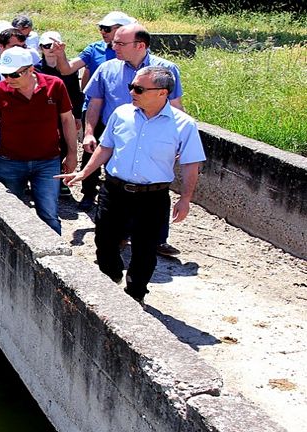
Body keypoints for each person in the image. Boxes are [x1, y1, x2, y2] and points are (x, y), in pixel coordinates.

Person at [57, 66, 205, 304]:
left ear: (162, 93)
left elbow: (190, 164)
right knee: (104, 241)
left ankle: (136, 294)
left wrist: (186, 198)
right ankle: (111, 276)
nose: (132, 92)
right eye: (131, 87)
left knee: (145, 249)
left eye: (138, 88)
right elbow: (106, 148)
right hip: (113, 190)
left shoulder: (183, 125)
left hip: (152, 197)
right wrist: (84, 173)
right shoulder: (121, 113)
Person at [83, 24, 185, 256]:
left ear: (140, 45)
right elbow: (95, 103)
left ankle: (157, 239)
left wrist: (179, 141)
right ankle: (119, 235)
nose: (113, 46)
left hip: (154, 136)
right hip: (119, 137)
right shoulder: (107, 68)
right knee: (120, 184)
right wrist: (89, 132)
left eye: (120, 43)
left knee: (153, 186)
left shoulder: (166, 70)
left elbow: (176, 106)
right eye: (114, 42)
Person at [0, 47, 77, 234]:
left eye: (14, 74)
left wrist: (72, 153)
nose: (8, 79)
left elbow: (67, 119)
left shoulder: (55, 85)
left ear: (30, 69)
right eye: (5, 74)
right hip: (10, 161)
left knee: (49, 214)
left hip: (48, 161)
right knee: (8, 214)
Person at [51, 11, 136, 209]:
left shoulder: (135, 52)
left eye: (107, 29)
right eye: (101, 28)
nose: (103, 33)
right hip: (98, 113)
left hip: (129, 116)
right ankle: (88, 193)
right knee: (91, 153)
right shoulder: (94, 49)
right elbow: (67, 69)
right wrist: (61, 55)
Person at [36, 31, 84, 197]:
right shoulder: (35, 69)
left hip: (65, 113)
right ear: (40, 48)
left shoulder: (69, 68)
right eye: (46, 46)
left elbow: (75, 93)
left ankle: (60, 180)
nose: (50, 49)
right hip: (44, 115)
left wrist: (77, 116)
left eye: (54, 45)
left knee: (65, 145)